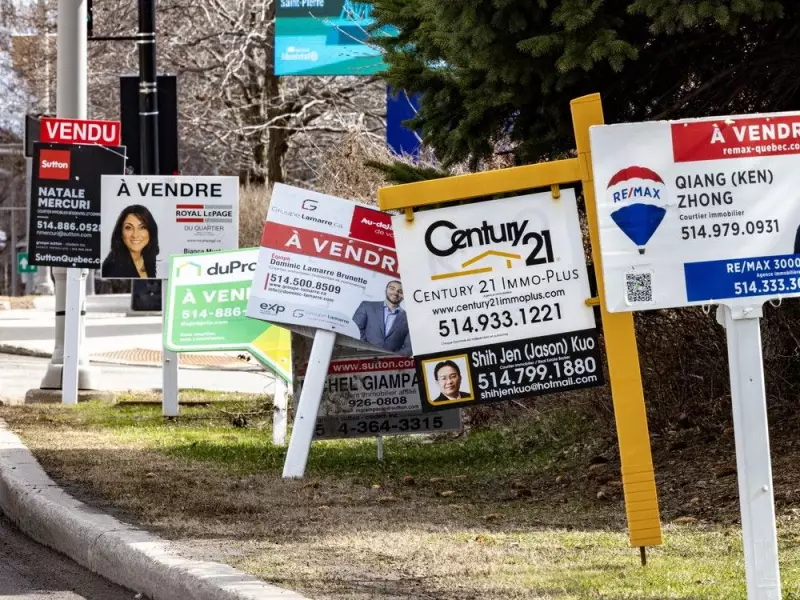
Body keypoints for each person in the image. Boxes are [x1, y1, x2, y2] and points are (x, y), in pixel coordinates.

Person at [352, 280, 412, 356]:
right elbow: (355, 329)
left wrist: (392, 358)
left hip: (390, 364)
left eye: (400, 292)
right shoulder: (367, 306)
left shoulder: (409, 319)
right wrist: (367, 350)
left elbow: (409, 347)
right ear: (385, 290)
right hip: (363, 357)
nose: (395, 293)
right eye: (392, 288)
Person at [101, 205, 159, 278]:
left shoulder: (147, 257)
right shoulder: (112, 267)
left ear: (151, 231)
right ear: (120, 232)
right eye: (129, 228)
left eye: (142, 227)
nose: (135, 235)